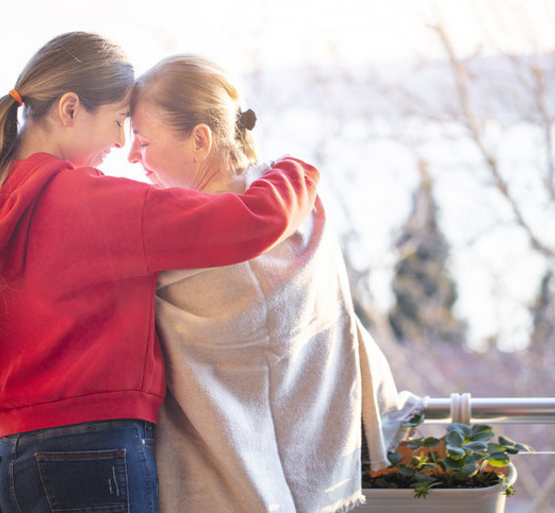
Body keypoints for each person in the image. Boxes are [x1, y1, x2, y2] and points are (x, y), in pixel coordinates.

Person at [0, 33, 319, 513]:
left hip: (17, 460)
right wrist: (296, 170)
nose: (119, 142)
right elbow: (248, 223)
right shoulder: (87, 202)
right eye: (117, 122)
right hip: (95, 456)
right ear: (70, 109)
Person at [128, 54, 423, 513]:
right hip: (323, 478)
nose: (131, 156)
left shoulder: (172, 257)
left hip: (217, 494)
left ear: (200, 140)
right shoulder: (302, 209)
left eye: (143, 142)